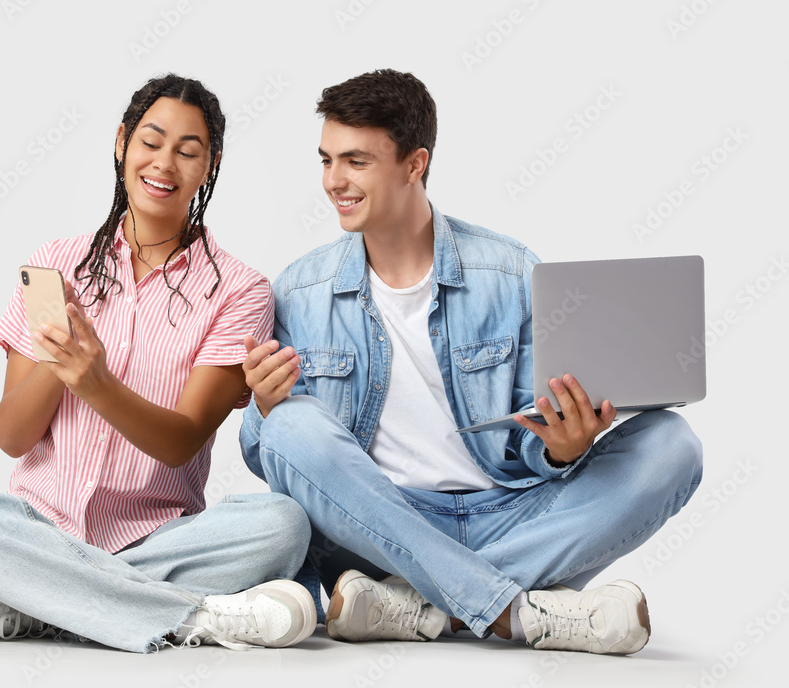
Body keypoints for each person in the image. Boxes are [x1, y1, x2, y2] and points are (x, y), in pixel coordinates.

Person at [239, 69, 702, 655]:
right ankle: (514, 611)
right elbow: (272, 458)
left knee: (672, 445)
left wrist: (563, 447)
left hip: (511, 515)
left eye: (356, 161)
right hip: (381, 528)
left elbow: (530, 432)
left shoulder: (509, 271)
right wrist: (264, 407)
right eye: (327, 160)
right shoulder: (301, 290)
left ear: (415, 164)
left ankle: (419, 606)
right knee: (289, 426)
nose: (334, 181)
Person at [0, 74, 316, 653]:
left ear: (210, 165)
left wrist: (97, 384)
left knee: (282, 526)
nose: (164, 163)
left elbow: (181, 442)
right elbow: (13, 437)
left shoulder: (240, 291)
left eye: (188, 151)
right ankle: (192, 617)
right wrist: (61, 363)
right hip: (38, 530)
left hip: (161, 538)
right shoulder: (55, 265)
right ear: (122, 142)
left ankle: (26, 603)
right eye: (151, 141)